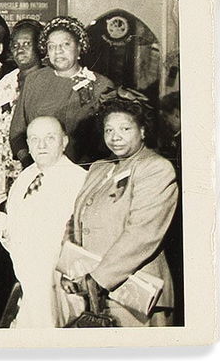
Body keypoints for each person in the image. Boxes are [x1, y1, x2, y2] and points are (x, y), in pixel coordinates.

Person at [61, 97, 178, 328]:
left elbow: (142, 234)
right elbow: (75, 220)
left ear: (143, 131)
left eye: (125, 129)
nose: (115, 137)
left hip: (135, 295)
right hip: (95, 291)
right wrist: (69, 268)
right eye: (109, 130)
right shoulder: (99, 168)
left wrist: (97, 279)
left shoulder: (155, 168)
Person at [0, 114, 87, 328]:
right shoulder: (24, 178)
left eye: (50, 138)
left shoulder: (79, 180)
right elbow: (12, 237)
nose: (41, 145)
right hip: (26, 281)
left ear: (64, 142)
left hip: (59, 285)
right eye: (34, 139)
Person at [11, 17, 117, 162]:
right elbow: (17, 133)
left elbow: (106, 141)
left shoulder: (101, 85)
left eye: (65, 44)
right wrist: (29, 162)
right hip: (38, 168)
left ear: (79, 48)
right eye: (52, 46)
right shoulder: (34, 81)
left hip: (83, 172)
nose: (58, 51)